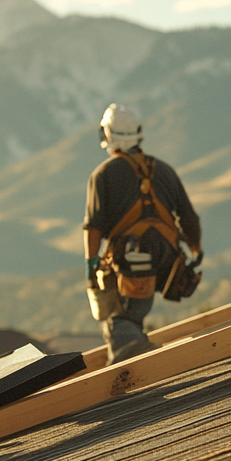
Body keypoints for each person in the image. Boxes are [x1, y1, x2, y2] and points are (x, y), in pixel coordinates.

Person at [83, 103, 202, 363]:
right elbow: (189, 218)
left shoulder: (102, 175)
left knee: (119, 318)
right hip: (167, 258)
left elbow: (93, 227)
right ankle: (142, 352)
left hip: (130, 258)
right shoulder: (165, 170)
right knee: (133, 314)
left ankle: (136, 371)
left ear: (107, 134)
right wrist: (195, 252)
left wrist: (91, 265)